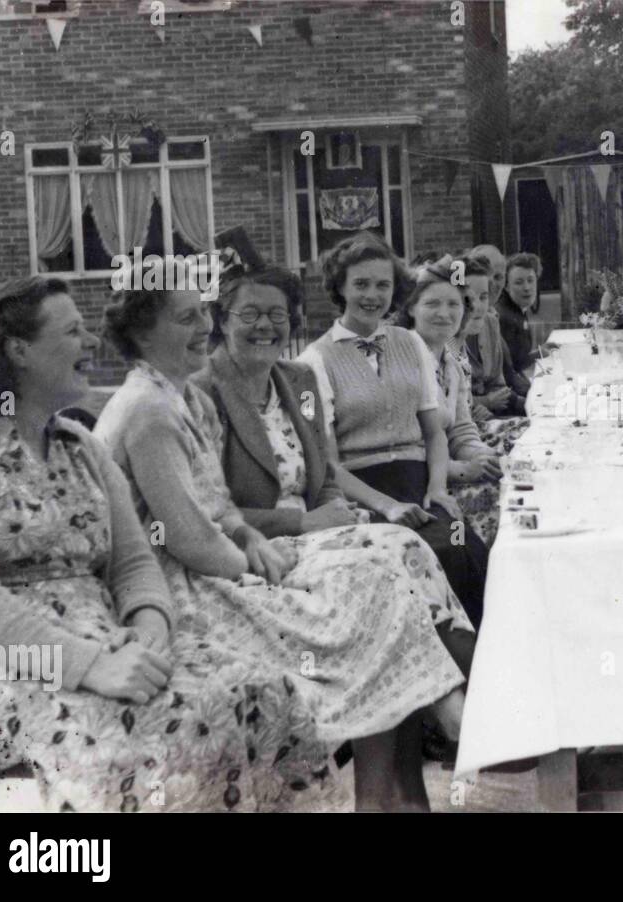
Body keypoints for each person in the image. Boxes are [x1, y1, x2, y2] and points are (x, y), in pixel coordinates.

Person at [93, 282, 468, 811]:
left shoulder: (183, 397)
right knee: (370, 592)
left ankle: (402, 779)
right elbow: (190, 540)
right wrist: (257, 559)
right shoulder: (148, 410)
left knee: (382, 573)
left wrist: (247, 537)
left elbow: (217, 507)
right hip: (177, 588)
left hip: (220, 563)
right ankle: (443, 714)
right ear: (141, 332)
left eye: (203, 314)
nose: (203, 328)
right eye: (186, 319)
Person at [188, 262, 476, 673]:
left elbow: (322, 474)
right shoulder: (200, 395)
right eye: (249, 314)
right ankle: (457, 703)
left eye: (278, 314)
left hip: (324, 534)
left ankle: (458, 695)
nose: (265, 327)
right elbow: (206, 515)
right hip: (262, 552)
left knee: (414, 551)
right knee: (395, 563)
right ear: (220, 319)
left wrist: (337, 511)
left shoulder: (297, 380)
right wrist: (303, 523)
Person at [296, 233, 489, 626]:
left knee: (465, 548)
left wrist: (437, 487)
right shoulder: (314, 359)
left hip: (419, 481)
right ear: (340, 287)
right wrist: (384, 505)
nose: (373, 295)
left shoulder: (409, 343)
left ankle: (483, 670)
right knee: (420, 561)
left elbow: (434, 433)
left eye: (383, 285)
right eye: (361, 284)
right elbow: (326, 463)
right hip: (364, 492)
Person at [398, 258, 506, 546]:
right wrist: (461, 470)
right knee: (497, 501)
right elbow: (404, 448)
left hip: (443, 470)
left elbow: (461, 429)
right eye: (432, 304)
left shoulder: (451, 364)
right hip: (412, 484)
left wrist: (480, 455)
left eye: (454, 304)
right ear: (411, 308)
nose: (444, 314)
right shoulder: (403, 355)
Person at [455, 255, 524, 417]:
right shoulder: (445, 340)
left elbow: (497, 383)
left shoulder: (491, 323)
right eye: (468, 299)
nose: (477, 307)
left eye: (483, 297)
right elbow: (448, 400)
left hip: (492, 416)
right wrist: (486, 401)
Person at [468, 245, 529, 398]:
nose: (491, 284)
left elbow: (500, 382)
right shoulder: (450, 335)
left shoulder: (491, 321)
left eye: (498, 277)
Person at [496, 252, 543, 377]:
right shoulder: (505, 317)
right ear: (506, 286)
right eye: (519, 282)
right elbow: (511, 368)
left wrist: (540, 352)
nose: (527, 287)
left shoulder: (517, 310)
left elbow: (518, 359)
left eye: (530, 280)